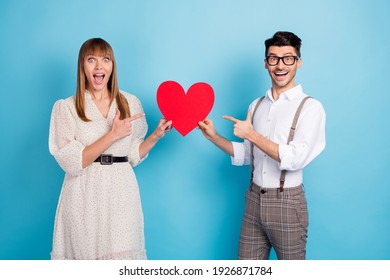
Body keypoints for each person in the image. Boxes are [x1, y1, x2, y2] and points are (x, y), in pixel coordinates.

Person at [198, 31, 326, 260]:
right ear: (265, 63)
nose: (280, 65)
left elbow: (296, 158)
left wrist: (252, 135)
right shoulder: (257, 105)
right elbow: (249, 154)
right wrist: (214, 136)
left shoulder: (310, 108)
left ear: (298, 62)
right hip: (253, 200)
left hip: (287, 203)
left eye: (288, 58)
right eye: (273, 58)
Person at [48, 38, 172, 260]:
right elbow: (73, 162)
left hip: (121, 192)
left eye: (105, 60)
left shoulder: (129, 102)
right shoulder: (66, 108)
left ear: (112, 66)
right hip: (83, 194)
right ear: (82, 66)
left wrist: (156, 135)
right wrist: (112, 134)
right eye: (91, 60)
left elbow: (132, 154)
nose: (99, 66)